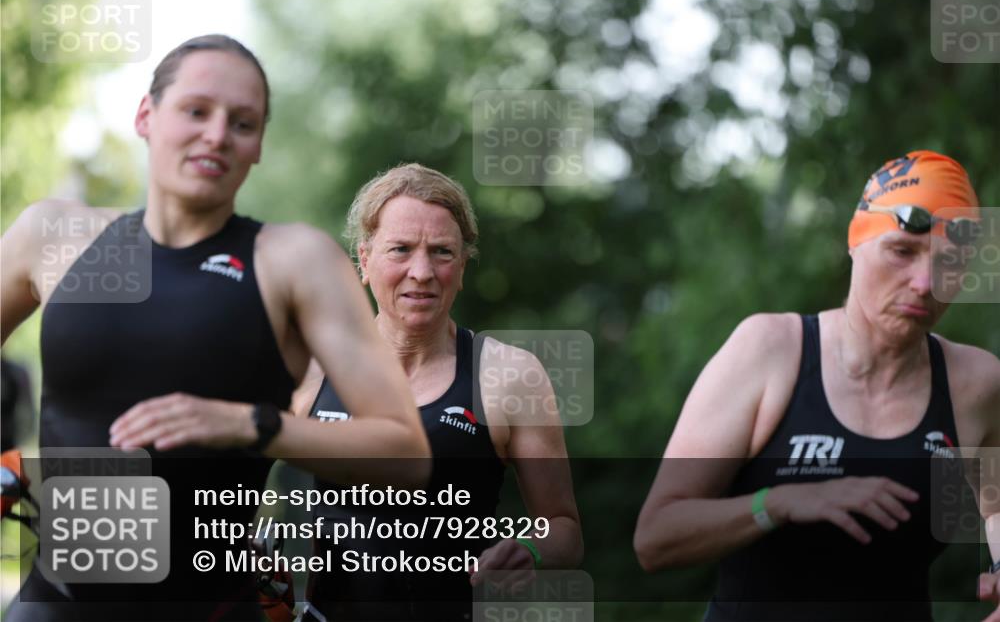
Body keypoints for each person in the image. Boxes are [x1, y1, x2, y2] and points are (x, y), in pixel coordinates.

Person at [0, 35, 429, 621]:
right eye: (196, 110)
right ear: (146, 116)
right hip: (55, 607)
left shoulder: (295, 261)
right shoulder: (53, 237)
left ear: (258, 146)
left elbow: (405, 454)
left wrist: (249, 424)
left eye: (242, 123)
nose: (218, 134)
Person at [634, 150, 1000, 621]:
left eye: (950, 261)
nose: (926, 282)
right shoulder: (770, 350)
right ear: (856, 241)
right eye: (902, 251)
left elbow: (996, 509)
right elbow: (656, 537)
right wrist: (781, 503)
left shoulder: (975, 383)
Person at [289, 163, 584, 620]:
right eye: (401, 249)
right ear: (364, 260)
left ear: (462, 267)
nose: (422, 272)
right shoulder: (312, 369)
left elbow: (564, 530)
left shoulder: (508, 376)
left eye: (442, 252)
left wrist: (530, 547)